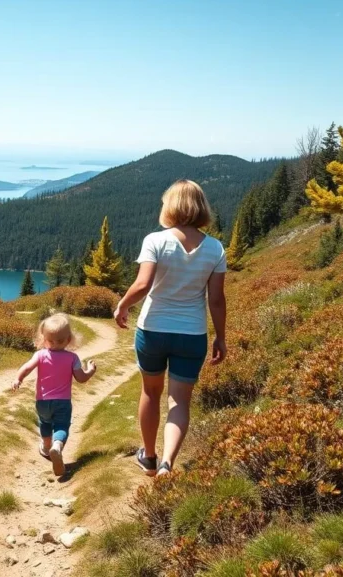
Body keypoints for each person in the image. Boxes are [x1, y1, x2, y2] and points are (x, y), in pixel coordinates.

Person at [114, 179, 227, 477]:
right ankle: (168, 463)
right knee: (179, 400)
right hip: (192, 334)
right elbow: (216, 299)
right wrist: (221, 337)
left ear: (170, 205)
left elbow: (142, 284)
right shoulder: (215, 248)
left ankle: (149, 457)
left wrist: (122, 305)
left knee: (151, 392)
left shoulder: (155, 240)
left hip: (153, 330)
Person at [12, 313, 96, 476]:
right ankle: (57, 446)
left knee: (45, 423)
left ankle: (45, 445)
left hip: (42, 401)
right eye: (53, 341)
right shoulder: (73, 358)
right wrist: (90, 371)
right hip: (63, 402)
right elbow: (81, 378)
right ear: (69, 339)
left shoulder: (40, 355)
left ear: (43, 338)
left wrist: (18, 378)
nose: (54, 344)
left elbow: (27, 367)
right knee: (61, 426)